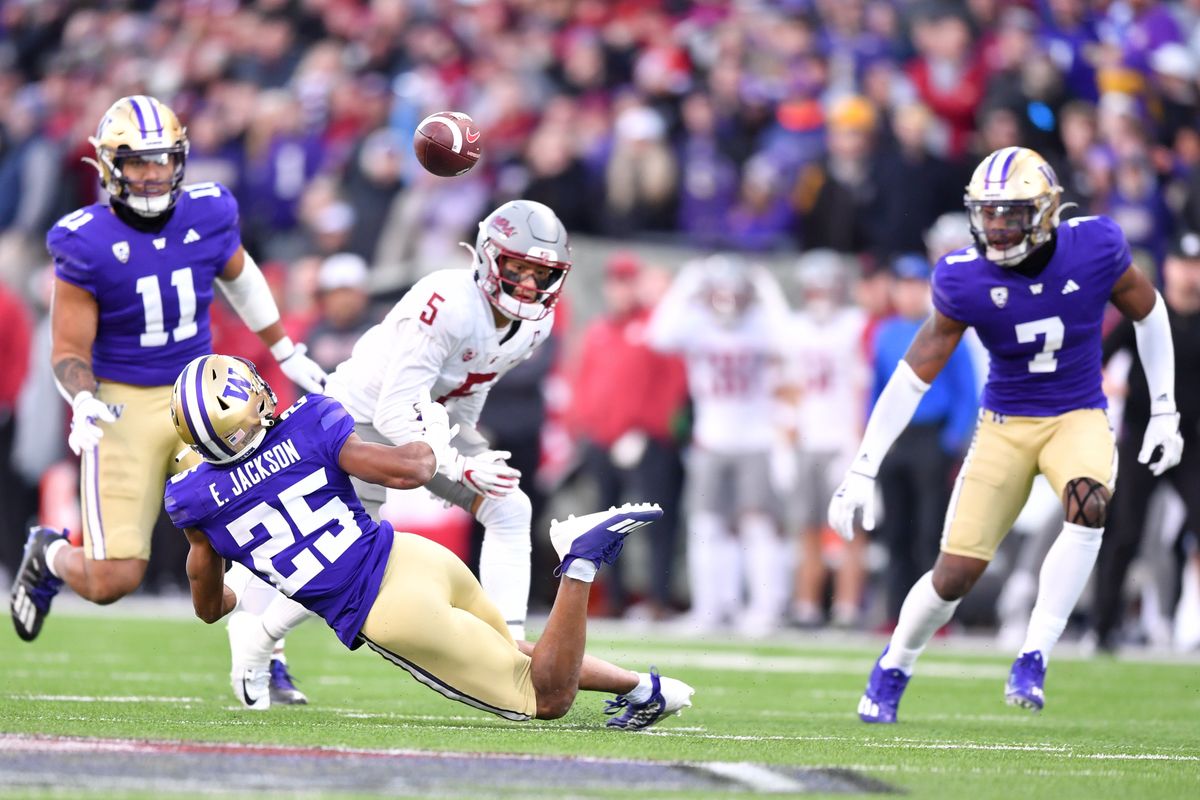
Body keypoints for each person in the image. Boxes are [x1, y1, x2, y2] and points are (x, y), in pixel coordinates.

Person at [829, 146, 1183, 722]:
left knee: (1088, 503)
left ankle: (1034, 655)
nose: (996, 225)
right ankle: (896, 662)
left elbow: (1149, 311)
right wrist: (862, 468)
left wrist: (1165, 409)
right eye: (987, 212)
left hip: (1077, 413)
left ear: (1044, 212)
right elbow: (913, 377)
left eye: (1010, 213)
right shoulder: (963, 278)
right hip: (1004, 426)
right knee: (954, 576)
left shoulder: (1094, 246)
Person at [162, 354, 690, 724]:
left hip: (391, 613)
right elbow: (404, 469)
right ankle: (641, 687)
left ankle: (579, 561)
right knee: (509, 649)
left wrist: (234, 589)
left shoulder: (193, 498)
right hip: (414, 557)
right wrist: (435, 440)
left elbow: (209, 608)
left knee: (544, 697)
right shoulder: (310, 421)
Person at [8, 96, 328, 703]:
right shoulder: (83, 240)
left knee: (258, 521)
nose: (152, 174)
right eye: (136, 162)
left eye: (162, 160)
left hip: (199, 395)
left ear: (180, 159)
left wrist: (284, 350)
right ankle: (49, 555)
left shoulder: (210, 211)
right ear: (108, 166)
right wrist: (80, 400)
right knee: (112, 580)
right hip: (122, 402)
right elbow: (69, 347)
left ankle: (268, 658)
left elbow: (240, 275)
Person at [219, 198, 570, 693]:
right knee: (345, 557)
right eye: (518, 268)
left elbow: (471, 387)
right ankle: (258, 635)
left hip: (421, 429)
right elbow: (390, 411)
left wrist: (470, 447)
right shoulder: (445, 302)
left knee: (510, 505)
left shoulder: (536, 323)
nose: (530, 285)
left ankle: (506, 647)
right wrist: (454, 465)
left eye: (541, 273)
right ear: (490, 259)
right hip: (354, 422)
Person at [648, 255, 791, 636]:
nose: (726, 301)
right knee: (707, 525)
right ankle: (710, 608)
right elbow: (658, 335)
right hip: (711, 440)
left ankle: (764, 608)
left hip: (756, 439)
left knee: (757, 525)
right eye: (719, 291)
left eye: (735, 292)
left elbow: (788, 342)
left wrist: (768, 287)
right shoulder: (697, 323)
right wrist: (687, 280)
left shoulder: (761, 323)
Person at [1091, 231, 1200, 651]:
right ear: (1169, 268)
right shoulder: (1148, 312)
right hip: (1143, 437)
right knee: (1125, 532)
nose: (1189, 275)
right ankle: (1102, 627)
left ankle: (1182, 619)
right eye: (1183, 265)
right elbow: (1096, 358)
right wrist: (1115, 391)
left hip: (1191, 441)